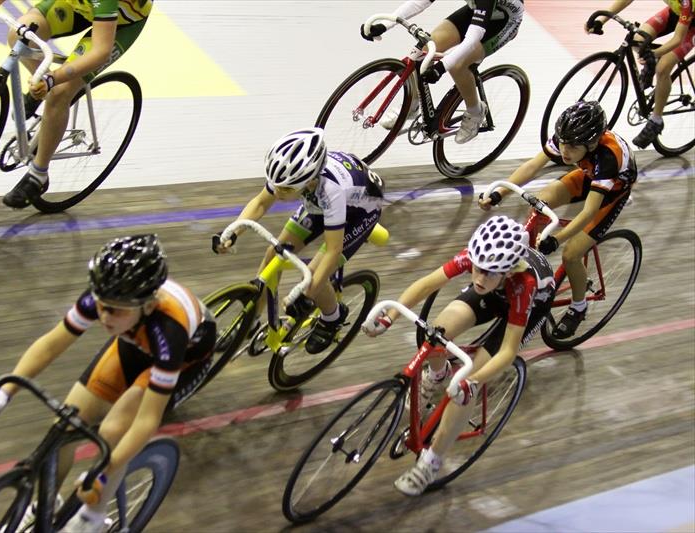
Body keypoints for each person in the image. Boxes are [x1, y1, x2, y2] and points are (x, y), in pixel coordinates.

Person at [0, 234, 216, 533]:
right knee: (66, 421)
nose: (103, 316)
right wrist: (5, 391)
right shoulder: (107, 298)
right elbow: (50, 345)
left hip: (184, 357)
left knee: (113, 430)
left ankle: (93, 518)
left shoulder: (169, 330)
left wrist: (103, 471)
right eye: (101, 305)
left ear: (148, 306)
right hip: (134, 341)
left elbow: (146, 421)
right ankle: (43, 508)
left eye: (115, 309)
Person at [364, 215, 556, 496]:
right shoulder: (476, 259)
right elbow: (427, 284)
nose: (478, 277)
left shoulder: (521, 285)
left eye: (488, 272)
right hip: (494, 293)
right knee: (437, 332)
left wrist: (473, 381)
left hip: (527, 305)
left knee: (467, 381)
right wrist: (390, 316)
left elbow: (508, 351)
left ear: (505, 270)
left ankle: (430, 463)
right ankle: (438, 373)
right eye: (477, 269)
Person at [0, 0, 151, 208]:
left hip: (121, 22)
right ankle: (42, 92)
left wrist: (53, 79)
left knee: (59, 93)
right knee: (18, 36)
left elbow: (100, 52)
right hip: (78, 5)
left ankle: (39, 175)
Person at [212, 127, 384, 354]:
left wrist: (307, 295)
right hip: (319, 202)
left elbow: (333, 251)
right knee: (273, 254)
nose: (278, 192)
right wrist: (233, 231)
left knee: (313, 276)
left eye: (285, 189)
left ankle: (332, 317)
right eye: (277, 185)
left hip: (359, 212)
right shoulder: (292, 176)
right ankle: (250, 322)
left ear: (309, 180)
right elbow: (261, 202)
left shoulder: (330, 191)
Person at [479, 101, 636, 338]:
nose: (564, 151)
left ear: (591, 143)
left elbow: (589, 212)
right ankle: (525, 268)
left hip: (611, 189)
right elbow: (533, 165)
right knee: (539, 204)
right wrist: (500, 193)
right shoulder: (568, 136)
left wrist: (557, 239)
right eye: (562, 142)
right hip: (588, 173)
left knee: (571, 253)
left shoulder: (607, 158)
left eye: (572, 147)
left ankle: (578, 307)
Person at [360, 0, 524, 143]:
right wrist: (385, 25)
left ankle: (475, 111)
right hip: (480, 9)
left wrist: (442, 67)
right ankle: (412, 105)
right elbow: (421, 1)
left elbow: (473, 38)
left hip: (505, 21)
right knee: (422, 52)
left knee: (457, 65)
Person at [590, 1, 695, 148]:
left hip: (691, 21)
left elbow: (678, 39)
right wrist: (601, 20)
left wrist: (654, 54)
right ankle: (650, 67)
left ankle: (656, 120)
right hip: (675, 11)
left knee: (663, 67)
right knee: (637, 41)